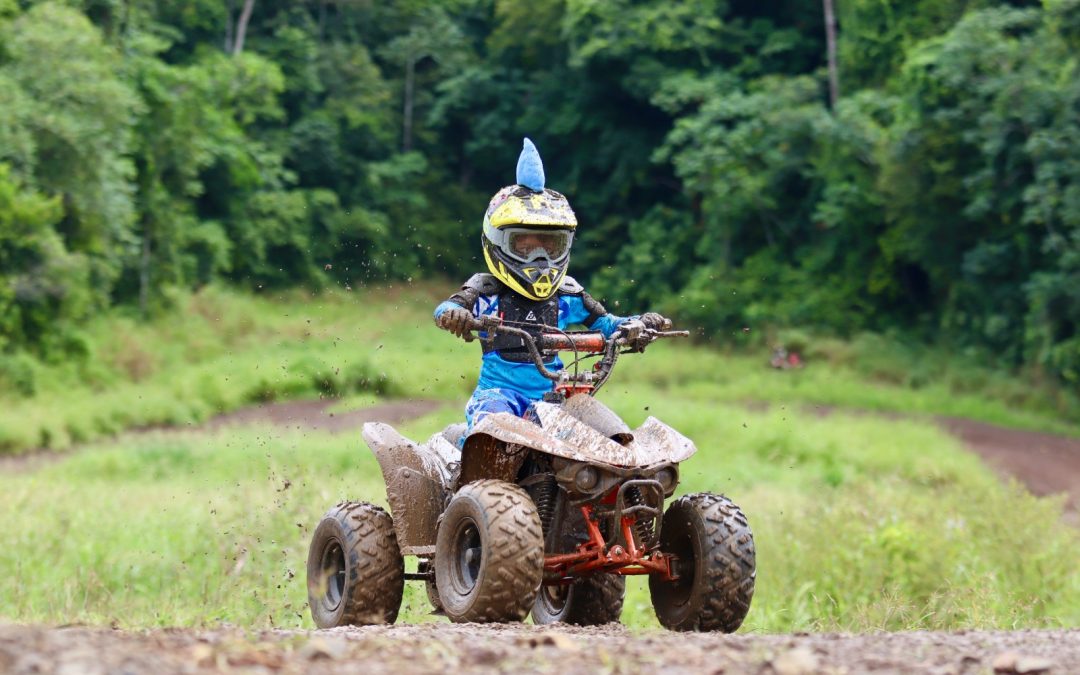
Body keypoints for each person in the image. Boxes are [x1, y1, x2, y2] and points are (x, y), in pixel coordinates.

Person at [433, 138, 670, 432]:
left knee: (597, 439)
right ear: (497, 241)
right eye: (525, 246)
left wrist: (639, 324)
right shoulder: (485, 290)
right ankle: (466, 464)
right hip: (498, 395)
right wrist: (454, 315)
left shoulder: (567, 295)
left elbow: (608, 323)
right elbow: (446, 308)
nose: (540, 258)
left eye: (549, 245)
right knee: (489, 435)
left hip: (553, 397)